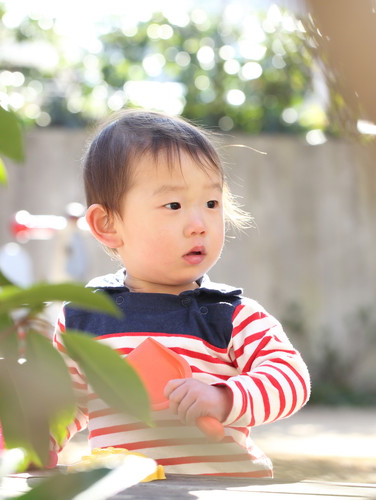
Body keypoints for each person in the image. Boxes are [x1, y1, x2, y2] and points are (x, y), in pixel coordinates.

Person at [50, 109, 310, 478]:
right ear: (108, 224)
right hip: (126, 489)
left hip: (223, 488)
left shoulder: (231, 315)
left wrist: (226, 397)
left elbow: (291, 378)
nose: (199, 225)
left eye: (211, 203)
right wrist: (33, 438)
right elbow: (64, 403)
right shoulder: (83, 317)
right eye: (173, 205)